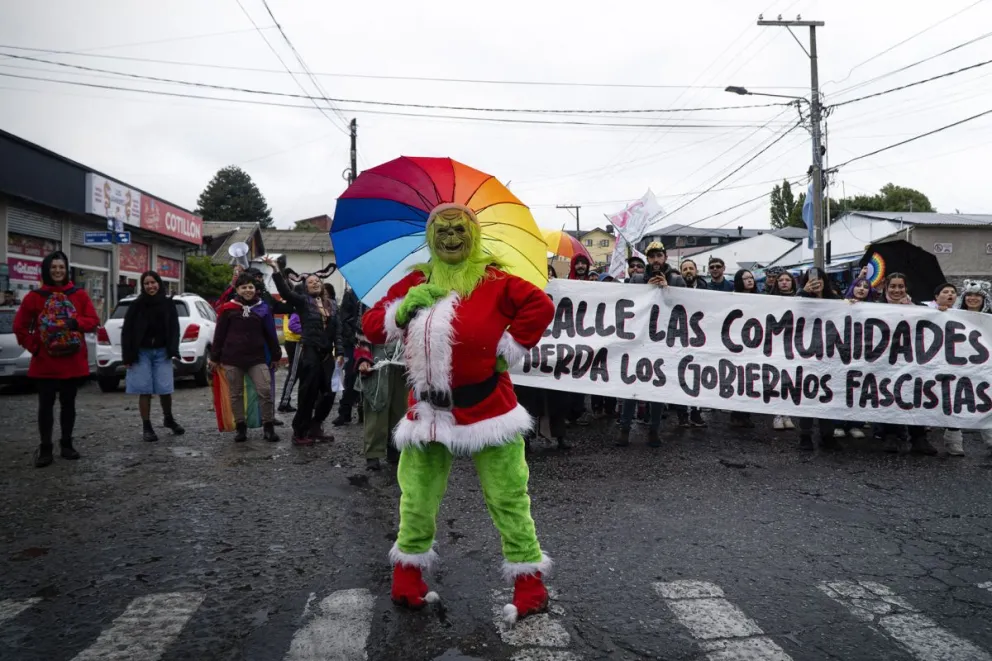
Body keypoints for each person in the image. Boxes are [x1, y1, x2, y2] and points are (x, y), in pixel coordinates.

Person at [363, 203, 555, 624]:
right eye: (442, 231)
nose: (451, 238)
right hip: (429, 412)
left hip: (491, 410)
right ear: (431, 238)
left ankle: (530, 586)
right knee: (416, 499)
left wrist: (512, 345)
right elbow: (373, 325)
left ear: (473, 234)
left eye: (459, 230)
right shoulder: (416, 280)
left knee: (508, 498)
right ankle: (407, 580)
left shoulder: (496, 280)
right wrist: (403, 307)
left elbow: (540, 305)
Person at [13, 251, 100, 468]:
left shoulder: (78, 295)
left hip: (71, 360)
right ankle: (45, 447)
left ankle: (67, 444)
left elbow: (93, 320)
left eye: (61, 267)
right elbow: (19, 326)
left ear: (66, 269)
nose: (58, 271)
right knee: (45, 406)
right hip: (45, 363)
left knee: (68, 404)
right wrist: (34, 346)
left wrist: (75, 323)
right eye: (53, 268)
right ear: (46, 270)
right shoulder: (35, 297)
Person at [267, 259, 344, 446]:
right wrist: (276, 271)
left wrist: (340, 351)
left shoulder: (332, 304)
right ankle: (299, 431)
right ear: (305, 287)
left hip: (327, 354)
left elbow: (338, 330)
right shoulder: (302, 302)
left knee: (329, 393)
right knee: (307, 393)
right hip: (309, 352)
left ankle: (316, 425)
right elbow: (285, 292)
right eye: (311, 282)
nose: (315, 283)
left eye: (317, 281)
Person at [617, 241, 683, 445]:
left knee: (657, 386)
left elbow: (685, 308)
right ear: (648, 259)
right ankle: (624, 429)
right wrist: (646, 291)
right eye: (652, 256)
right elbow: (626, 304)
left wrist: (667, 290)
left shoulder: (676, 279)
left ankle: (654, 430)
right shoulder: (636, 279)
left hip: (662, 341)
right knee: (631, 386)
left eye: (659, 256)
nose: (655, 260)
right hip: (638, 340)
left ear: (664, 257)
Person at [209, 272, 281, 443]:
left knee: (265, 391)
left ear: (255, 289)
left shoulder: (263, 308)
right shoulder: (228, 309)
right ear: (237, 289)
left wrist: (276, 355)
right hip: (232, 358)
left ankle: (268, 427)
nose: (248, 290)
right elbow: (220, 334)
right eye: (244, 287)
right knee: (236, 393)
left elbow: (271, 333)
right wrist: (214, 357)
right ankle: (241, 428)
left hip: (257, 358)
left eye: (251, 287)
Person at [875, 273, 937, 455]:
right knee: (889, 395)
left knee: (914, 396)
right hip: (885, 361)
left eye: (900, 286)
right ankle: (891, 435)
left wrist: (941, 310)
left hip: (912, 361)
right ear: (886, 288)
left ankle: (918, 437)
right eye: (893, 286)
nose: (897, 290)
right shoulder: (875, 308)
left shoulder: (918, 307)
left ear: (906, 288)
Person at [121, 270, 184, 442]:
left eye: (153, 282)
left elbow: (174, 329)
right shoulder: (137, 305)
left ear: (159, 283)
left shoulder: (167, 303)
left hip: (162, 352)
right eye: (147, 283)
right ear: (143, 286)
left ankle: (168, 418)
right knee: (144, 389)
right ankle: (147, 426)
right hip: (141, 352)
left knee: (165, 388)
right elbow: (127, 331)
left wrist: (173, 349)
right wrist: (127, 356)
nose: (150, 286)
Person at [354, 333, 404, 470]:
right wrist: (363, 359)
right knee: (376, 408)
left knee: (400, 409)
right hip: (377, 362)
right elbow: (362, 338)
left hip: (402, 363)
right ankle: (373, 453)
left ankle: (395, 448)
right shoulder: (371, 311)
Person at [956, 281, 992, 456]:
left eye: (977, 295)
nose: (972, 298)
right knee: (953, 399)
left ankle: (990, 438)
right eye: (969, 295)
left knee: (987, 400)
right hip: (957, 365)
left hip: (984, 368)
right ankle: (953, 440)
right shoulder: (952, 315)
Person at [764, 269, 797, 431]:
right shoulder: (769, 300)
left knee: (790, 381)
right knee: (776, 381)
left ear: (792, 282)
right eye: (781, 280)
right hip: (775, 345)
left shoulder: (801, 299)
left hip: (794, 346)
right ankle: (777, 415)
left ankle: (787, 414)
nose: (784, 282)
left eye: (787, 280)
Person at [332, 286, 365, 426]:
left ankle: (363, 412)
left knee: (368, 376)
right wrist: (353, 339)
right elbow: (344, 320)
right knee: (351, 377)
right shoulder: (351, 294)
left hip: (369, 341)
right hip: (352, 343)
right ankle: (344, 413)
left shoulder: (377, 293)